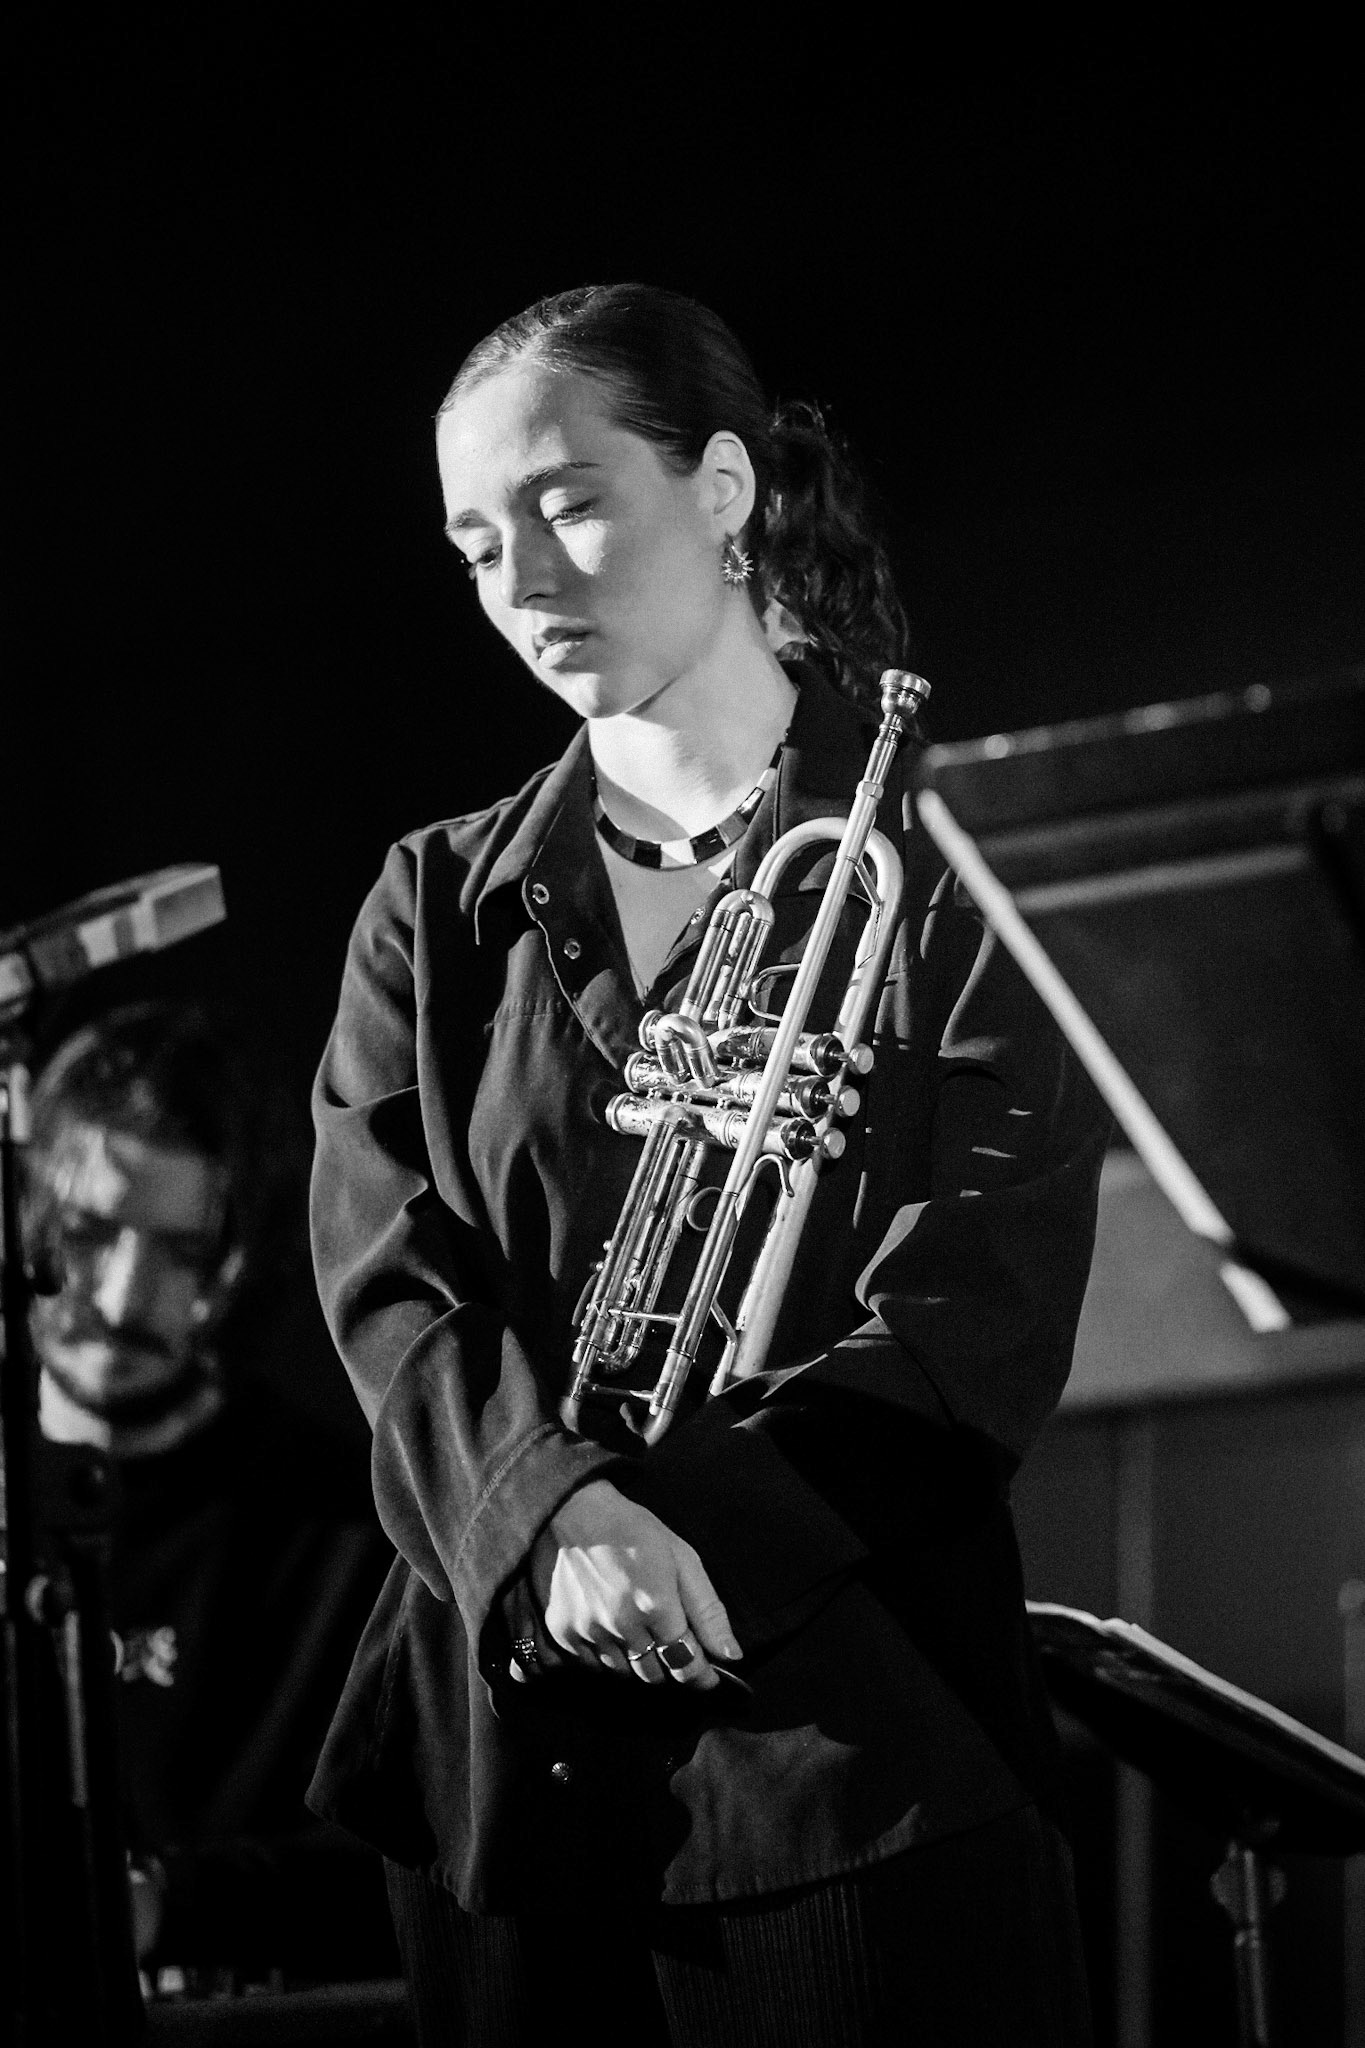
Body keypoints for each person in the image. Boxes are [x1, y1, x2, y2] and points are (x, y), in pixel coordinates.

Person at [309, 284, 1110, 2045]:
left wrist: (673, 1529)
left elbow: (971, 1307)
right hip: (501, 1764)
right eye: (471, 542)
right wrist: (555, 1517)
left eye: (570, 501)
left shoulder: (954, 866)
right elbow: (391, 1286)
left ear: (729, 489)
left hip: (854, 1739)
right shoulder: (433, 905)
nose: (519, 580)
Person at [26, 1002, 397, 1988]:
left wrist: (162, 1907)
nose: (118, 1295)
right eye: (88, 1231)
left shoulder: (351, 1527)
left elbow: (424, 1869)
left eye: (181, 1252)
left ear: (240, 1264)